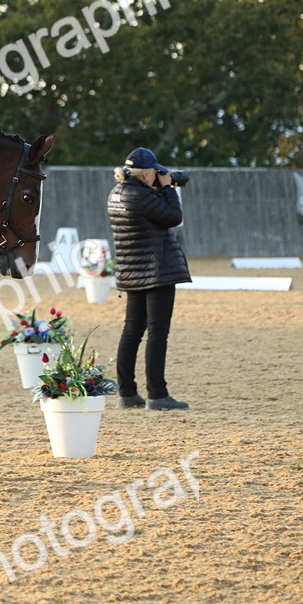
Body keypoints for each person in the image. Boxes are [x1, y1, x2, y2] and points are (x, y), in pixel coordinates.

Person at [107, 147, 192, 411]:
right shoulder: (142, 195)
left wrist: (159, 186)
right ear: (145, 173)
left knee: (131, 332)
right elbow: (174, 217)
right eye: (155, 171)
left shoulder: (117, 193)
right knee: (157, 333)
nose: (158, 174)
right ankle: (157, 394)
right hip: (157, 271)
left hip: (133, 270)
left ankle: (128, 393)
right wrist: (168, 188)